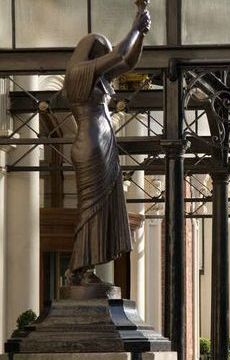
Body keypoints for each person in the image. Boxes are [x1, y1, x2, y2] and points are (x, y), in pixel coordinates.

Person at [64, 0, 151, 285]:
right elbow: (119, 54)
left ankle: (86, 268)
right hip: (90, 144)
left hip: (101, 141)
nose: (104, 59)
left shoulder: (95, 77)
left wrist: (141, 34)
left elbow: (128, 61)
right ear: (90, 53)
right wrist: (135, 24)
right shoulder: (79, 74)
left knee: (99, 206)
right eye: (100, 53)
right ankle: (78, 268)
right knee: (91, 206)